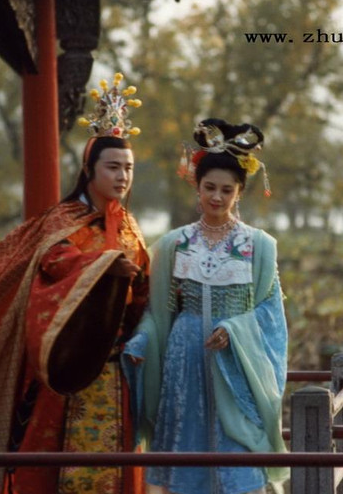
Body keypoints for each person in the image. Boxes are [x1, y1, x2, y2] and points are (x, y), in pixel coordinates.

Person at [0, 73, 149, 494]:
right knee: (48, 465)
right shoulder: (63, 220)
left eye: (128, 168)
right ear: (88, 169)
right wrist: (105, 264)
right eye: (112, 167)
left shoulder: (129, 226)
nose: (122, 176)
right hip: (63, 364)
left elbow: (141, 288)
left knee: (115, 466)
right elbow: (54, 261)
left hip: (114, 368)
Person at [123, 118, 290, 494]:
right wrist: (140, 342)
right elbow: (159, 312)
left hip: (236, 362)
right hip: (185, 359)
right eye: (209, 187)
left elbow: (270, 313)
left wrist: (234, 330)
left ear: (239, 192)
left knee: (238, 457)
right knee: (189, 453)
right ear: (196, 187)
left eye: (226, 190)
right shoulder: (174, 244)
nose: (216, 197)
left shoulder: (259, 245)